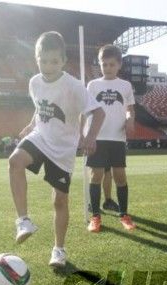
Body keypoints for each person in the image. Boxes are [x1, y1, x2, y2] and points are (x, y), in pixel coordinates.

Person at [8, 31, 104, 267]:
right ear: (36, 58)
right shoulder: (34, 82)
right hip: (40, 136)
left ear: (62, 61)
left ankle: (58, 250)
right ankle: (23, 221)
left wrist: (90, 137)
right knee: (15, 161)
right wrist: (30, 125)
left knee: (60, 201)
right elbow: (41, 106)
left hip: (63, 148)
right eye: (43, 60)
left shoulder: (73, 86)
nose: (48, 66)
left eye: (54, 61)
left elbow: (98, 112)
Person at [84, 44, 137, 233]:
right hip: (97, 138)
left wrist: (130, 121)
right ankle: (95, 217)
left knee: (120, 176)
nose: (107, 68)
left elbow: (130, 109)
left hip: (117, 138)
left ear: (119, 65)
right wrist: (86, 136)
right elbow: (87, 111)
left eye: (111, 64)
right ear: (99, 64)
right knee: (96, 176)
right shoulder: (93, 85)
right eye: (104, 64)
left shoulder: (125, 86)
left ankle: (124, 214)